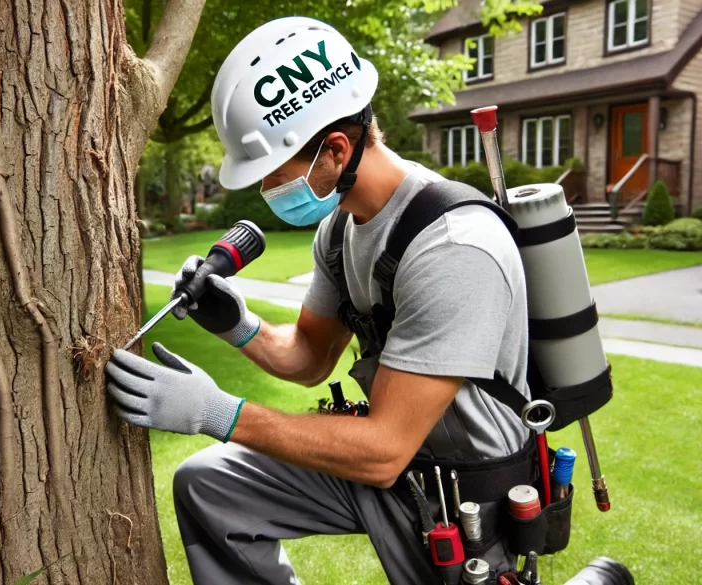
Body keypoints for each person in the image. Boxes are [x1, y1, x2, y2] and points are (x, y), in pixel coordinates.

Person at [104, 17, 531, 585]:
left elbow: (382, 449)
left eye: (270, 175)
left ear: (334, 149)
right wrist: (238, 325)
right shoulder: (340, 230)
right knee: (209, 485)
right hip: (394, 466)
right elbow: (309, 357)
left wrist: (217, 413)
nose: (265, 192)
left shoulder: (454, 248)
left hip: (466, 491)